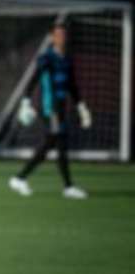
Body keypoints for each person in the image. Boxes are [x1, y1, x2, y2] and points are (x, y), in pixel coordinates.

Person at [8, 22, 92, 199]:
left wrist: (81, 107)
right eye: (58, 35)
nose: (61, 38)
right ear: (52, 37)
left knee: (55, 144)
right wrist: (25, 102)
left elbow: (72, 86)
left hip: (61, 108)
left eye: (64, 35)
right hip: (50, 108)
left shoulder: (66, 59)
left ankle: (22, 178)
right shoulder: (46, 58)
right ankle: (62, 185)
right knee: (57, 142)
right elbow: (34, 79)